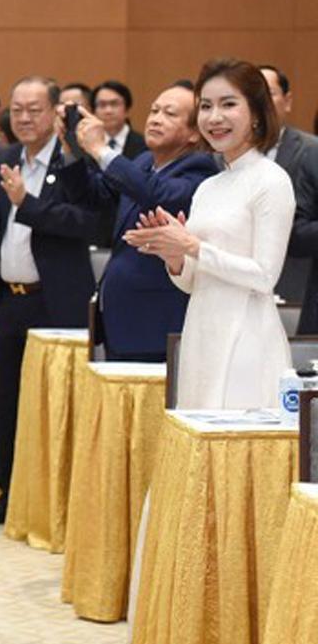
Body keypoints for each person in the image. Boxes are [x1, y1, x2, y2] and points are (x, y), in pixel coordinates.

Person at [0, 76, 97, 526]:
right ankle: (8, 498)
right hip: (9, 301)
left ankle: (55, 503)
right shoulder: (8, 157)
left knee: (52, 408)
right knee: (5, 404)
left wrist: (27, 203)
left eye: (35, 109)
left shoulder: (74, 160)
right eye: (18, 109)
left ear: (55, 113)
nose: (25, 118)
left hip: (55, 302)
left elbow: (87, 222)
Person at [124, 58, 295, 409]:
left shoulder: (271, 180)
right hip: (201, 330)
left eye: (228, 104)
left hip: (246, 338)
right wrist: (174, 256)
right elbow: (194, 281)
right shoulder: (209, 186)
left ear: (257, 114)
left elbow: (264, 277)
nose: (214, 117)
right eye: (206, 106)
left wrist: (191, 244)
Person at [60, 84, 217, 361]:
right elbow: (93, 197)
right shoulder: (144, 162)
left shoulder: (199, 170)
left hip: (157, 323)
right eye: (154, 110)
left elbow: (155, 194)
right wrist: (72, 152)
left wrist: (101, 149)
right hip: (120, 320)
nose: (155, 118)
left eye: (170, 114)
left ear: (195, 133)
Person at [257, 65, 318, 328]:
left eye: (268, 93)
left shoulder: (310, 150)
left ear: (288, 100)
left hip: (297, 285)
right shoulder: (218, 158)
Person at [94, 80, 147, 159]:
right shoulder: (87, 146)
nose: (108, 111)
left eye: (114, 104)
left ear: (127, 109)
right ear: (94, 111)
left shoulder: (145, 145)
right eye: (102, 105)